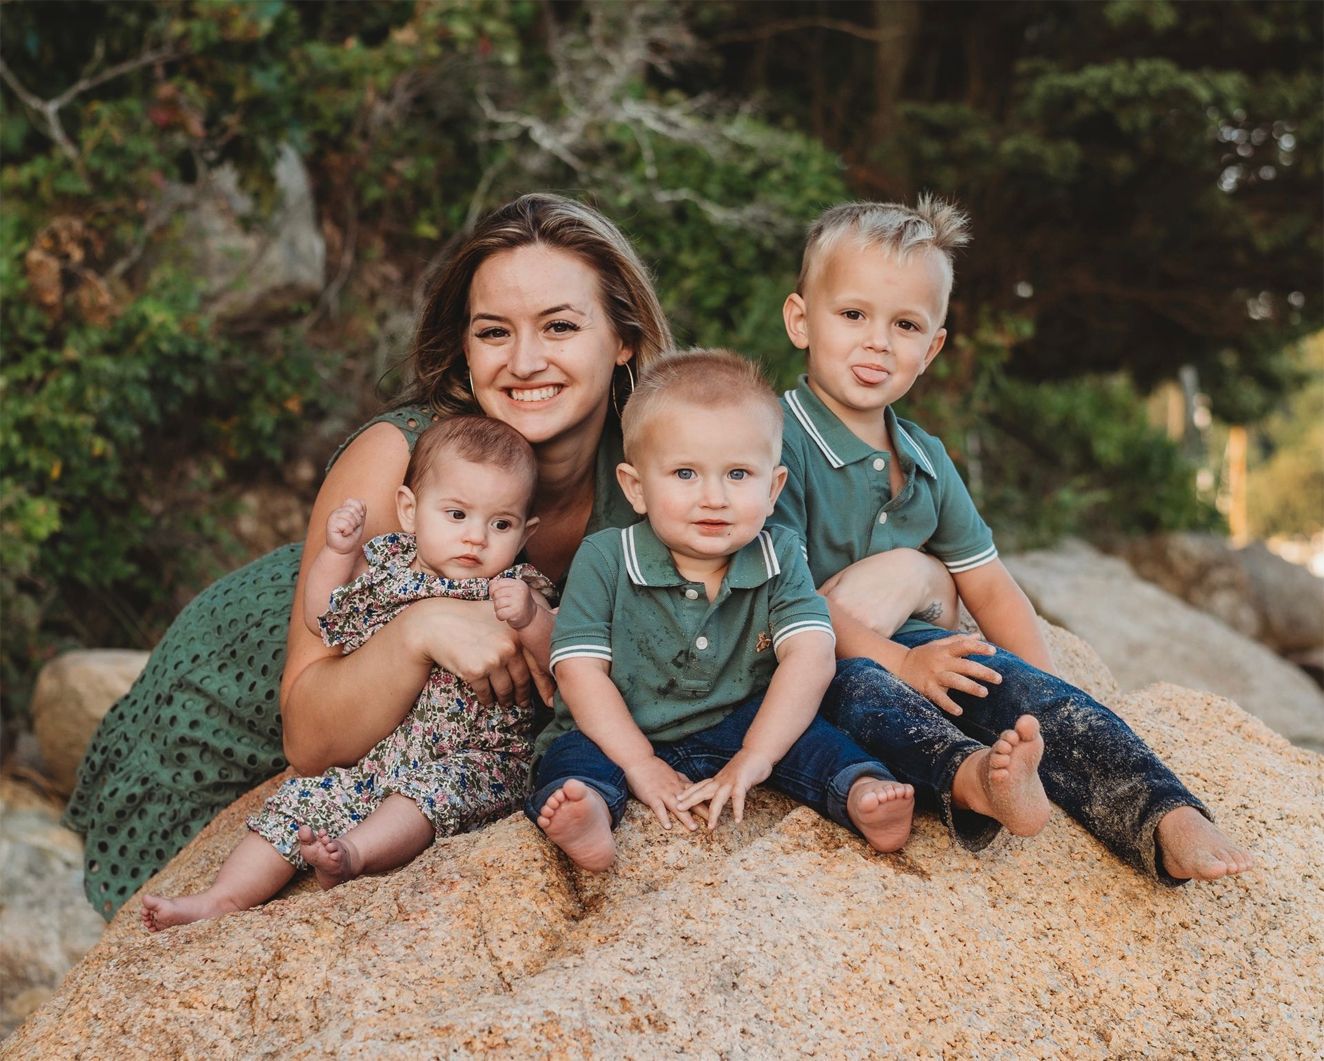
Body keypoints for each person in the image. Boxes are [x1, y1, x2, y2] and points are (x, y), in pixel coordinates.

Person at [65, 193, 675, 918]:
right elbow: (311, 738)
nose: (524, 361)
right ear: (464, 348)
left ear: (624, 337)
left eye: (561, 326)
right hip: (231, 710)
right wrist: (423, 627)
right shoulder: (401, 457)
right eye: (493, 332)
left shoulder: (663, 472)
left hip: (428, 748)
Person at [773, 196, 1255, 883]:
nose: (877, 341)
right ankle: (977, 781)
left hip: (914, 645)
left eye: (905, 324)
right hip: (812, 663)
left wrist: (1047, 694)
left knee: (1006, 677)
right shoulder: (771, 442)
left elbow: (991, 586)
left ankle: (1164, 813)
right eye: (852, 315)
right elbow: (779, 596)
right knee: (870, 692)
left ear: (932, 346)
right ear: (801, 320)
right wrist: (897, 661)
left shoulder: (927, 459)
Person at [141, 416, 554, 930]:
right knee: (298, 801)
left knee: (423, 796)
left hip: (474, 757)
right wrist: (338, 555)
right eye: (455, 514)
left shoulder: (516, 585)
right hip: (378, 755)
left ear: (524, 532)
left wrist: (532, 618)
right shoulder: (386, 569)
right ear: (409, 510)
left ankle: (351, 855)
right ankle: (222, 897)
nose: (475, 538)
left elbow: (556, 661)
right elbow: (323, 618)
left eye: (500, 525)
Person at [527, 349, 923, 872]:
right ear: (636, 487)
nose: (713, 497)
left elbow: (810, 655)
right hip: (623, 728)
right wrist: (640, 763)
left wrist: (755, 755)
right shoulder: (604, 557)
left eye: (738, 474)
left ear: (773, 486)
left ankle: (861, 793)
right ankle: (591, 814)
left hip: (738, 720)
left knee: (812, 736)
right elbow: (579, 672)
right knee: (573, 760)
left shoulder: (779, 552)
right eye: (685, 473)